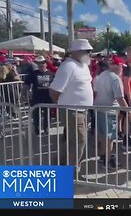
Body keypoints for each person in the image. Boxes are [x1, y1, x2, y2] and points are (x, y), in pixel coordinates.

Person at [49, 39, 93, 174]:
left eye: (89, 51)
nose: (89, 54)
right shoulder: (68, 66)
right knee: (79, 141)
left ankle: (62, 166)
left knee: (70, 140)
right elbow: (54, 91)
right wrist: (64, 104)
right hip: (72, 111)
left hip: (82, 110)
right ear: (76, 52)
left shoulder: (83, 65)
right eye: (86, 51)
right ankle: (71, 170)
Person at [93, 55, 131, 169]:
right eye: (121, 66)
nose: (122, 68)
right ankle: (107, 161)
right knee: (110, 138)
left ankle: (103, 157)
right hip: (109, 111)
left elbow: (95, 93)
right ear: (117, 66)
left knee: (102, 136)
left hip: (99, 109)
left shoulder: (100, 76)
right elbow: (120, 98)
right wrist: (129, 112)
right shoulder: (115, 78)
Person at [25, 56, 54, 135]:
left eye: (43, 63)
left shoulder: (51, 74)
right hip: (36, 97)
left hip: (48, 98)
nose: (41, 65)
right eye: (39, 64)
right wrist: (26, 94)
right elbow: (27, 85)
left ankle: (46, 128)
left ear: (46, 64)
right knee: (36, 114)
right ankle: (36, 128)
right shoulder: (33, 74)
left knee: (47, 114)